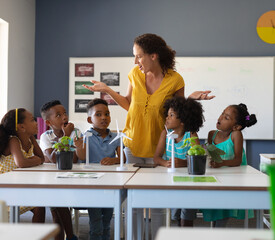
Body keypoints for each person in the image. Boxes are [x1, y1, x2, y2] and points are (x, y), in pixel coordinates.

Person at [84, 33, 214, 239]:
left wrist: (190, 98)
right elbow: (128, 103)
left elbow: (179, 114)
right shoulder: (135, 74)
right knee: (133, 204)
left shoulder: (175, 79)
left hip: (158, 149)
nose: (136, 61)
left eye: (139, 56)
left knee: (157, 205)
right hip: (133, 145)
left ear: (154, 56)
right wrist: (107, 89)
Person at [0, 108, 45, 223]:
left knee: (40, 206)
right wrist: (36, 160)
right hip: (1, 189)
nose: (36, 122)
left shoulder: (30, 139)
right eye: (32, 120)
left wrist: (37, 159)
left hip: (16, 187)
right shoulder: (13, 141)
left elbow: (42, 158)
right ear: (21, 127)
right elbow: (21, 163)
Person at [201, 103, 257, 227]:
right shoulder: (212, 134)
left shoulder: (236, 135)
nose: (221, 118)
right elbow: (211, 153)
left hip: (231, 180)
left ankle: (218, 233)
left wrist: (222, 163)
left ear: (236, 126)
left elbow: (237, 160)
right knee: (214, 208)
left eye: (226, 118)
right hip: (215, 178)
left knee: (224, 210)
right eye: (222, 113)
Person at [154, 96, 204, 227]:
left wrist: (182, 162)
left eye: (171, 115)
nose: (167, 118)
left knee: (187, 214)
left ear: (183, 120)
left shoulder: (191, 135)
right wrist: (165, 163)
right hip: (172, 181)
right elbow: (156, 157)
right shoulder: (165, 134)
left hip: (189, 183)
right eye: (167, 114)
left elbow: (197, 159)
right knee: (176, 214)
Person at [78, 98, 122, 240]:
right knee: (96, 219)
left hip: (110, 183)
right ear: (89, 119)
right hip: (92, 184)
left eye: (107, 114)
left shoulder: (116, 136)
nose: (104, 117)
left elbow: (123, 159)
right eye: (98, 114)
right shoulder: (85, 137)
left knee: (107, 218)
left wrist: (114, 159)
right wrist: (78, 145)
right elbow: (82, 157)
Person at [40, 100, 80, 240]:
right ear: (49, 122)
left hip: (72, 177)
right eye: (58, 115)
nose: (64, 117)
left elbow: (73, 160)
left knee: (58, 204)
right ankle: (69, 236)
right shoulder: (46, 136)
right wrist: (65, 137)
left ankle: (69, 236)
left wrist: (67, 136)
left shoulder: (75, 133)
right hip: (51, 179)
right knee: (57, 206)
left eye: (64, 113)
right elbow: (53, 159)